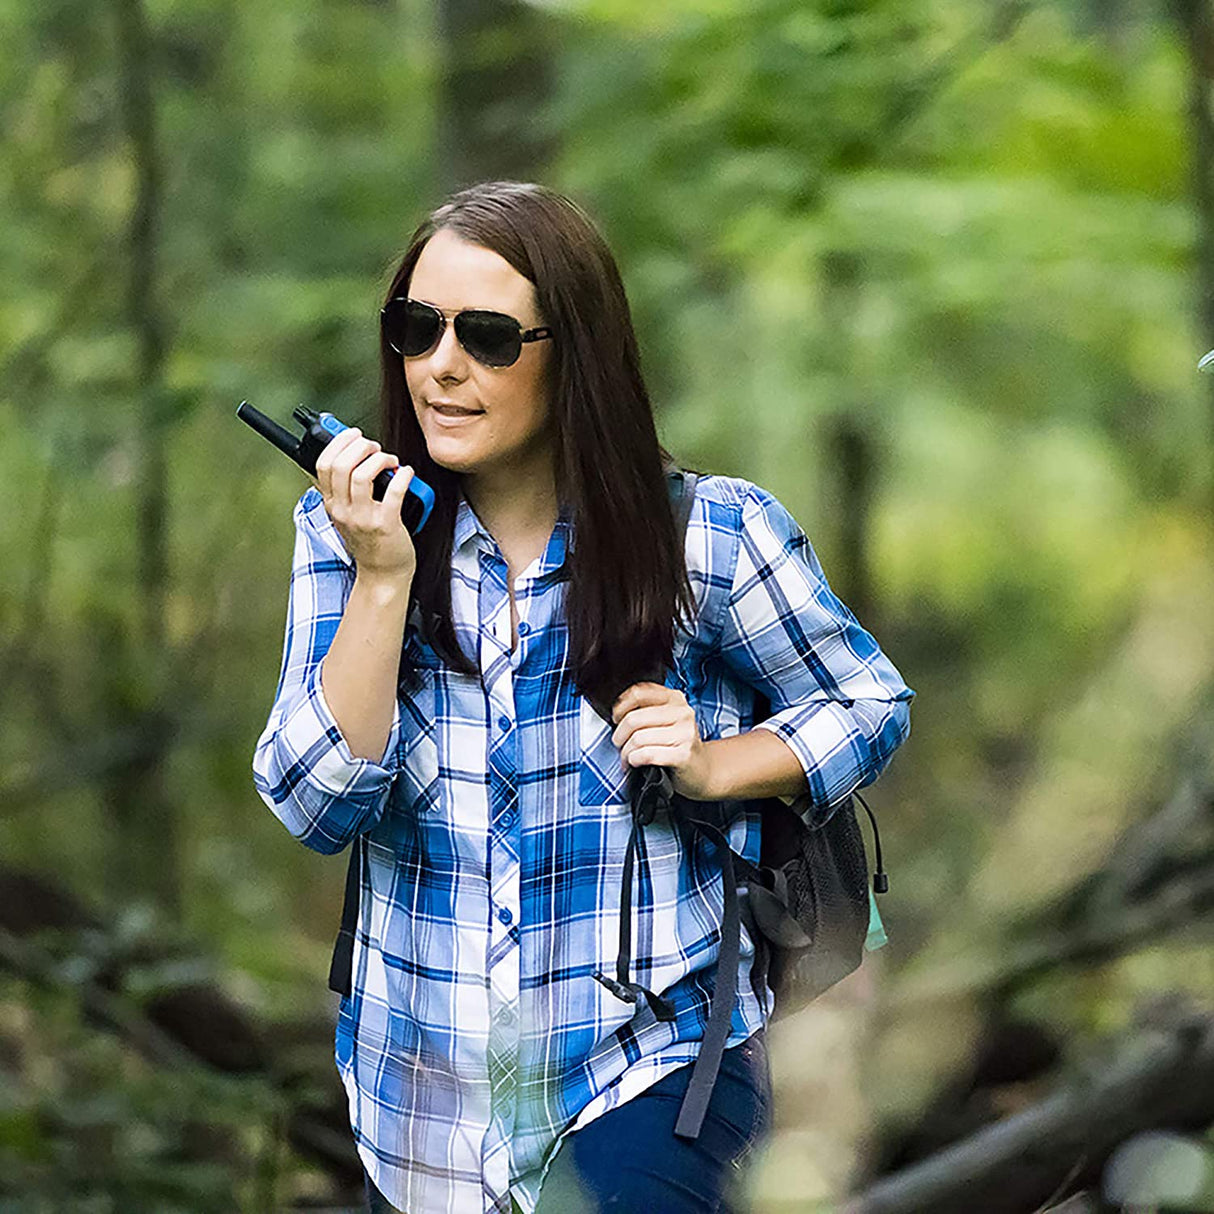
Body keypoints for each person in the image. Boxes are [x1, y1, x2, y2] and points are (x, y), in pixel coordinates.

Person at [252, 180, 915, 1214]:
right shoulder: (344, 533)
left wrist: (718, 762)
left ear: (577, 354)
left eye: (487, 336)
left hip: (647, 1069)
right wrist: (381, 580)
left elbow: (866, 700)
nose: (441, 365)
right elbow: (311, 800)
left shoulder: (711, 534)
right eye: (414, 329)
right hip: (417, 1105)